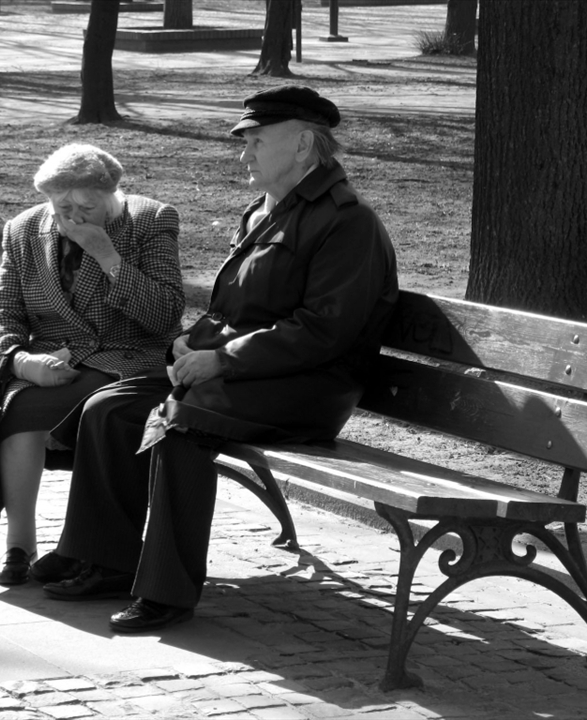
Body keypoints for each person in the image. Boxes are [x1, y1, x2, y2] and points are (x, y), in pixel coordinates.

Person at [41, 85, 399, 633]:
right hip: (246, 378)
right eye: (244, 142)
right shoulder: (264, 210)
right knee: (109, 407)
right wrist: (189, 344)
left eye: (256, 141)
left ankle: (166, 591)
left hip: (308, 389)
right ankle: (103, 559)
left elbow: (324, 330)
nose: (244, 153)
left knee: (183, 421)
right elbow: (234, 310)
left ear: (303, 146)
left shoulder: (347, 221)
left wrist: (223, 360)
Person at [0, 143, 185, 586]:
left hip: (127, 358)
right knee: (17, 409)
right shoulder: (23, 229)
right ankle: (19, 544)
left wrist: (108, 257)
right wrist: (19, 360)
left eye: (87, 208)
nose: (73, 217)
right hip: (54, 360)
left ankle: (81, 547)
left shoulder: (150, 220)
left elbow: (166, 314)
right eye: (63, 207)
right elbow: (3, 310)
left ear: (111, 198)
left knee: (99, 409)